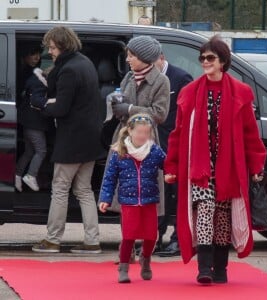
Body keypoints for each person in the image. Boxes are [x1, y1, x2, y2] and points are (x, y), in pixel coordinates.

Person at [164, 35, 267, 285]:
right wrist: (172, 166)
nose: (205, 62)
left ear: (223, 61)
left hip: (229, 166)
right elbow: (177, 133)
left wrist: (256, 166)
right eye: (202, 58)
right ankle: (205, 268)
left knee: (223, 216)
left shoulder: (241, 93)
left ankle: (221, 269)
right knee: (204, 212)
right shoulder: (190, 92)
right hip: (199, 166)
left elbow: (250, 134)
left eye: (210, 58)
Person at [32, 26, 102, 254]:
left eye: (52, 47)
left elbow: (61, 108)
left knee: (60, 188)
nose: (50, 52)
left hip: (72, 139)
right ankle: (92, 241)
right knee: (84, 190)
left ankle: (52, 240)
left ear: (62, 45)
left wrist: (41, 105)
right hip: (90, 139)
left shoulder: (69, 70)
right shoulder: (85, 62)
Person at [104, 35, 170, 262]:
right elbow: (122, 103)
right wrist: (115, 104)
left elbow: (160, 114)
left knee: (148, 195)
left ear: (144, 57)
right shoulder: (129, 78)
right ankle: (128, 250)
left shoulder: (161, 81)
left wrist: (130, 108)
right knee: (125, 194)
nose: (128, 59)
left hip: (147, 143)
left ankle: (147, 249)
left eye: (132, 55)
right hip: (124, 140)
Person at [99, 113, 165, 283]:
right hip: (128, 201)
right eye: (139, 132)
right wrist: (105, 198)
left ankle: (146, 258)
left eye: (146, 133)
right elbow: (109, 177)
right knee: (129, 235)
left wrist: (172, 173)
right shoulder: (119, 152)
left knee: (151, 236)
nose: (143, 136)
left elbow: (168, 164)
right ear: (129, 131)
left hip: (149, 200)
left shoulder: (155, 150)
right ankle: (123, 266)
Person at [154, 53, 193, 256]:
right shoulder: (146, 77)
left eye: (152, 62)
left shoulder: (180, 78)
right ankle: (155, 237)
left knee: (177, 194)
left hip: (176, 146)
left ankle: (178, 239)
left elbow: (186, 114)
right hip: (154, 145)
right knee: (159, 195)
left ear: (161, 58)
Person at [15, 44, 53, 192]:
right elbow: (36, 100)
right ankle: (30, 175)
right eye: (33, 53)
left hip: (26, 120)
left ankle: (17, 175)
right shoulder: (36, 80)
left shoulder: (31, 75)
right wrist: (51, 101)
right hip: (34, 122)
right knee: (41, 150)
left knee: (29, 151)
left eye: (38, 53)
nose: (37, 57)